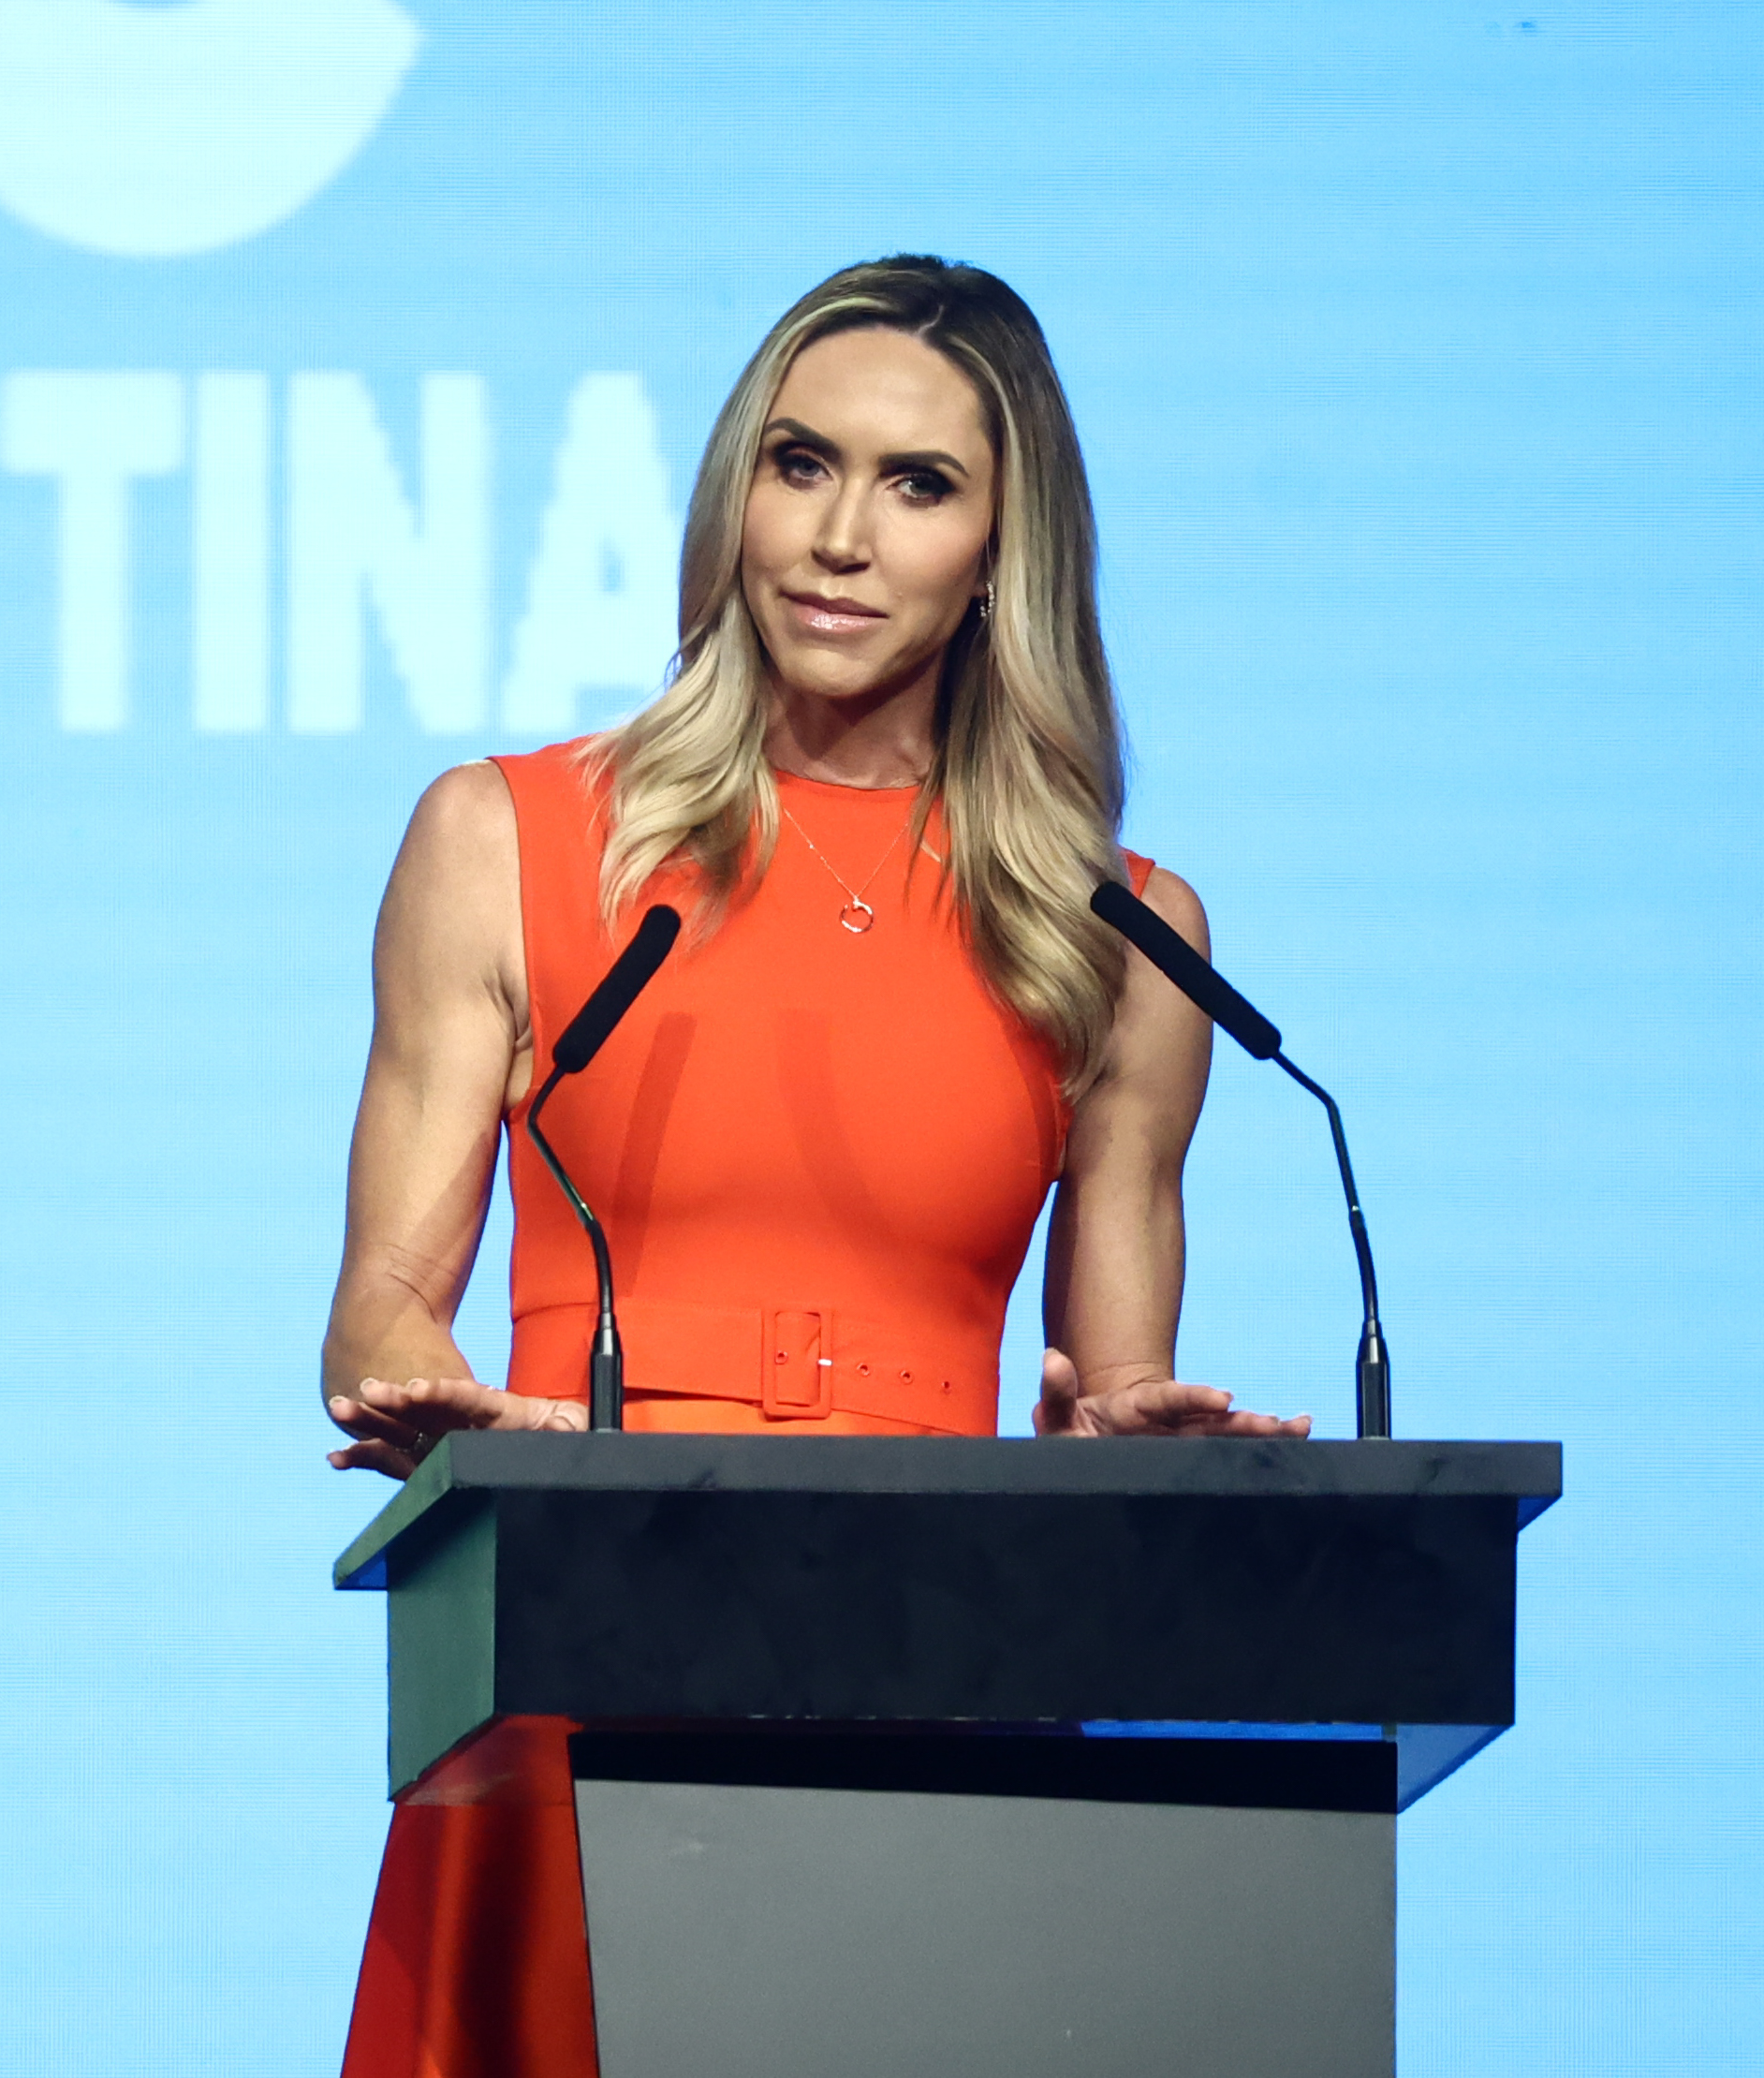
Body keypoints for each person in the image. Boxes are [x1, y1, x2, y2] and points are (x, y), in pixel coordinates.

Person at [317, 255, 1308, 2078]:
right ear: (733, 495)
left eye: (918, 485)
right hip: (578, 1661)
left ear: (1007, 550)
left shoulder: (1120, 940)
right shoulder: (513, 839)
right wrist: (440, 1405)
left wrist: (1132, 1451)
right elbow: (378, 1307)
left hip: (946, 1688)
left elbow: (1106, 1398)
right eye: (800, 464)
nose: (842, 535)